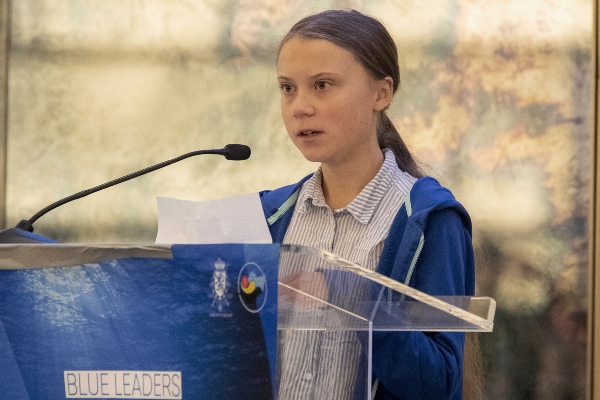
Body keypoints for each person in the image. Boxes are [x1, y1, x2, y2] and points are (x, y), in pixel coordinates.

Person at [259, 9, 476, 400]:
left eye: (322, 85)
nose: (299, 107)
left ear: (382, 93)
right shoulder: (267, 215)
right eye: (287, 88)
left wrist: (349, 294)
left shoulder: (430, 220)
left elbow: (440, 382)